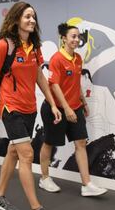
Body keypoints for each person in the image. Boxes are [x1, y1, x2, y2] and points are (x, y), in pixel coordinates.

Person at [0, 1, 62, 210]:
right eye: (27, 16)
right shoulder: (3, 46)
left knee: (13, 152)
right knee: (26, 155)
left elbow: (40, 78)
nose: (32, 20)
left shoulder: (34, 49)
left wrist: (53, 104)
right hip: (11, 108)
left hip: (30, 108)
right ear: (16, 20)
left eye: (34, 17)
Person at [39, 22, 108, 197]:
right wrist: (67, 108)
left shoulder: (77, 59)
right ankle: (44, 178)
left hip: (74, 107)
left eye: (78, 37)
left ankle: (87, 184)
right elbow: (54, 85)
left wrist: (83, 103)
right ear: (64, 39)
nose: (77, 40)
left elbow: (75, 84)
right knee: (49, 143)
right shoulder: (56, 59)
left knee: (81, 143)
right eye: (73, 36)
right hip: (55, 109)